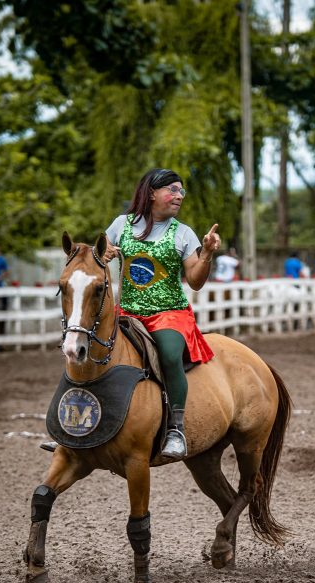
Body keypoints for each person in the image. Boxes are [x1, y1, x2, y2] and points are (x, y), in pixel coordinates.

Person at [103, 167, 221, 460]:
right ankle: (84, 425)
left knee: (169, 355)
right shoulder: (121, 224)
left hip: (168, 313)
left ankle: (175, 429)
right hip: (127, 312)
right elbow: (100, 252)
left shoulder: (183, 233)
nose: (179, 196)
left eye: (181, 191)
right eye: (173, 189)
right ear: (152, 192)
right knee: (91, 347)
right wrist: (103, 254)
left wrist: (206, 254)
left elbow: (195, 280)